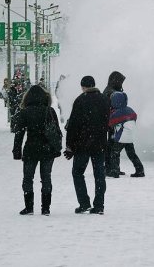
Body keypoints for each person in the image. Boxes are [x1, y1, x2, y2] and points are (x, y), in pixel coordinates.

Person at [12, 84, 62, 215]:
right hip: (48, 149)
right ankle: (46, 208)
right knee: (46, 178)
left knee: (28, 178)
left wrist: (17, 150)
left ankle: (29, 207)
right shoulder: (50, 111)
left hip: (31, 148)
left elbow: (19, 133)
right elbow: (57, 131)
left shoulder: (25, 112)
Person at [64, 75, 111, 214]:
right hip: (100, 143)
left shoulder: (80, 100)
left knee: (78, 173)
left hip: (82, 144)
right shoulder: (104, 99)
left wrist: (69, 145)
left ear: (83, 86)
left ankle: (84, 203)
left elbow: (73, 125)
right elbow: (107, 121)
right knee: (99, 175)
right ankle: (99, 205)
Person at [107, 91, 144, 178]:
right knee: (132, 154)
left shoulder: (117, 113)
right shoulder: (130, 110)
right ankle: (140, 170)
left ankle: (114, 171)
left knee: (114, 153)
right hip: (130, 136)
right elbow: (134, 117)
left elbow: (110, 123)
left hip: (121, 136)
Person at [102, 71, 125, 172]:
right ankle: (110, 167)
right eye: (120, 81)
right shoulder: (110, 91)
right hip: (112, 121)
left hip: (113, 121)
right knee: (112, 144)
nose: (121, 84)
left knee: (113, 143)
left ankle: (114, 167)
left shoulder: (111, 90)